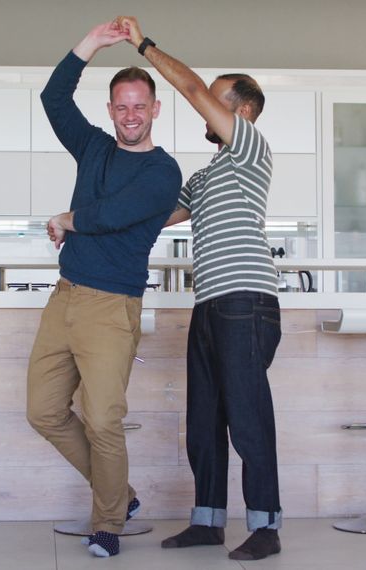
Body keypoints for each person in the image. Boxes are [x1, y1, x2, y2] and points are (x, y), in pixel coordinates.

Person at [116, 15, 284, 561]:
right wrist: (88, 215)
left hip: (246, 300)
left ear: (243, 111)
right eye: (206, 100)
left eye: (215, 101)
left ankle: (265, 527)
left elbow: (187, 87)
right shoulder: (209, 173)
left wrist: (143, 45)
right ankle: (208, 521)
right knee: (205, 419)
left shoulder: (249, 148)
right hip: (210, 303)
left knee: (247, 415)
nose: (202, 108)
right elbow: (159, 215)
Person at [25, 21, 182, 559]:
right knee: (43, 411)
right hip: (65, 296)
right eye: (121, 106)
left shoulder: (164, 172)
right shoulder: (92, 147)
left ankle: (107, 521)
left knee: (102, 420)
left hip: (112, 307)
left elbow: (114, 216)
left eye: (140, 106)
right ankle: (122, 495)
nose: (130, 115)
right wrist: (90, 44)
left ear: (155, 109)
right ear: (112, 109)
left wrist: (68, 219)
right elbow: (53, 97)